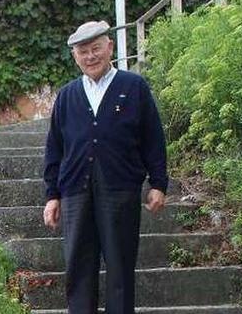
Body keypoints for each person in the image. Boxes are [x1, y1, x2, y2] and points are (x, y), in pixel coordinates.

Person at [42, 20, 168, 314]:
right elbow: (54, 148)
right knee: (78, 268)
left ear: (109, 47)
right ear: (75, 56)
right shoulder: (67, 95)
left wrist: (158, 183)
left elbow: (153, 137)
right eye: (83, 51)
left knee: (120, 267)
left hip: (120, 189)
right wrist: (52, 195)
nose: (90, 56)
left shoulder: (133, 86)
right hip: (75, 191)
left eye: (95, 48)